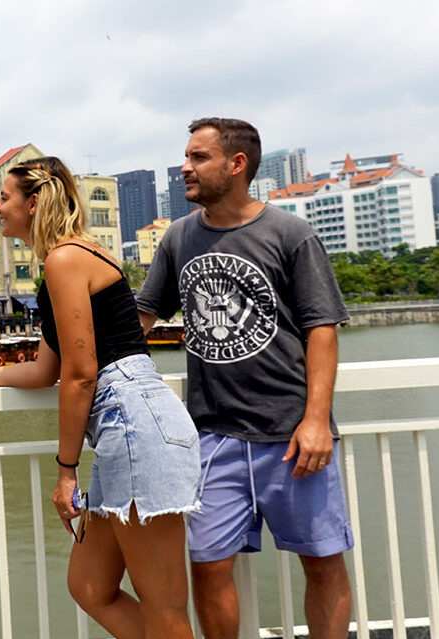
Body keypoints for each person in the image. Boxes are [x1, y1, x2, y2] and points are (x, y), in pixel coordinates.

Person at [0, 156, 199, 639]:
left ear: (33, 203)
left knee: (164, 608)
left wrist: (66, 471)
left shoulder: (65, 259)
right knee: (90, 585)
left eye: (4, 198)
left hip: (136, 427)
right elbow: (46, 370)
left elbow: (80, 375)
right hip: (127, 428)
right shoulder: (69, 258)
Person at [136, 118, 353, 639]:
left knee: (322, 561)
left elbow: (321, 330)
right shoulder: (179, 236)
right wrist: (75, 360)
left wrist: (316, 421)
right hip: (212, 436)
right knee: (209, 567)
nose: (185, 168)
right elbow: (141, 317)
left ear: (236, 164)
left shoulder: (290, 234)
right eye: (186, 157)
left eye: (198, 157)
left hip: (291, 436)